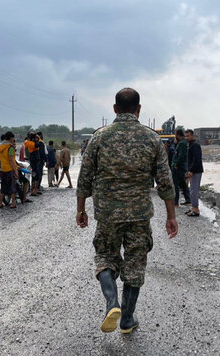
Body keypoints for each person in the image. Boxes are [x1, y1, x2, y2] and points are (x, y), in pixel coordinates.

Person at [76, 87, 178, 334]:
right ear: (139, 109)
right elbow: (165, 181)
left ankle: (112, 303)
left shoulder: (99, 137)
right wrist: (171, 216)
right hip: (139, 214)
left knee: (105, 256)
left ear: (114, 109)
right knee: (135, 264)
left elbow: (84, 178)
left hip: (108, 213)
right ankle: (127, 319)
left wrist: (81, 210)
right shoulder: (152, 138)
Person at [0, 131, 19, 209]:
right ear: (10, 138)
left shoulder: (1, 146)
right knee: (12, 186)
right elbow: (11, 160)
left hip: (3, 169)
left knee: (3, 186)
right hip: (10, 170)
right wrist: (16, 171)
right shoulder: (10, 148)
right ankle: (13, 203)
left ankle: (0, 203)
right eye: (13, 138)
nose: (13, 140)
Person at [184, 129, 203, 216]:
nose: (186, 138)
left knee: (194, 190)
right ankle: (193, 207)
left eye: (188, 136)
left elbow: (196, 159)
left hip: (196, 171)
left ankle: (196, 209)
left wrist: (191, 170)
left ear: (192, 136)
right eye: (185, 136)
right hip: (192, 170)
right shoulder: (190, 145)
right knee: (192, 189)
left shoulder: (195, 145)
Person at [171, 129, 190, 206]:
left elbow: (181, 155)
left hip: (178, 167)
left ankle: (175, 202)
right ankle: (188, 200)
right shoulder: (182, 143)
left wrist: (176, 164)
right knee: (183, 184)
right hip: (182, 167)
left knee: (175, 184)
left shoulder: (182, 143)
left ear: (178, 135)